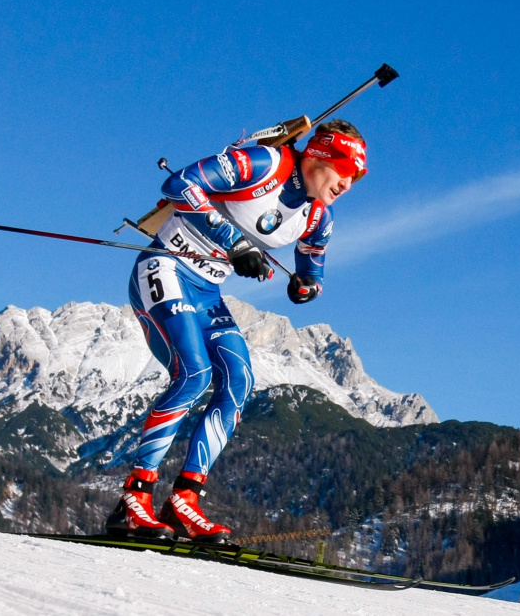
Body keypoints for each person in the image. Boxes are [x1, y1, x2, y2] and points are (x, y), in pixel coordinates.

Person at [105, 119, 368, 542]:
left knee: (238, 380)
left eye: (355, 178)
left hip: (207, 290)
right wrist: (237, 243)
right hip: (165, 266)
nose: (348, 184)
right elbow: (180, 184)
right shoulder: (266, 163)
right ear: (320, 155)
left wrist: (307, 287)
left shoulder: (319, 216)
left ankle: (183, 501)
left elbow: (312, 266)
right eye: (345, 170)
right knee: (194, 373)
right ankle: (133, 500)